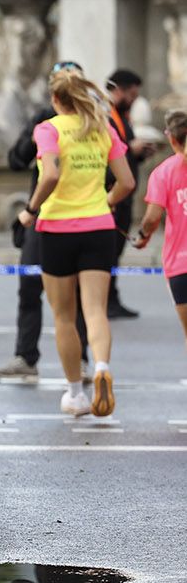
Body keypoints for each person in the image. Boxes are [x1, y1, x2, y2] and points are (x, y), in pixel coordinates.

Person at [18, 71, 135, 418]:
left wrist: (30, 209)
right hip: (99, 227)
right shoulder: (103, 128)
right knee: (95, 310)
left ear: (55, 100)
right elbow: (127, 182)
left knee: (64, 316)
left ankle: (75, 394)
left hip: (57, 228)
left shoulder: (49, 129)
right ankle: (101, 366)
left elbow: (51, 175)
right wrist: (106, 202)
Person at [0, 61, 91, 383]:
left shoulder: (94, 122)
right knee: (30, 284)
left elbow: (111, 173)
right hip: (48, 215)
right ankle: (26, 357)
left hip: (74, 215)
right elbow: (16, 159)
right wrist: (38, 132)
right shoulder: (45, 121)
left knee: (77, 293)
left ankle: (81, 360)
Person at [133, 111, 187, 356]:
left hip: (181, 263)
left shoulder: (163, 172)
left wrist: (143, 236)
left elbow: (152, 217)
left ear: (171, 138)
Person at [104, 69, 153, 318]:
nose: (134, 101)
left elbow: (125, 156)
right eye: (131, 95)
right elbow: (108, 155)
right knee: (108, 251)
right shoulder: (105, 116)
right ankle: (105, 301)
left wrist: (140, 154)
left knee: (116, 251)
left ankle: (112, 298)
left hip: (124, 197)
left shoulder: (123, 118)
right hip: (111, 196)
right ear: (118, 90)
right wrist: (129, 149)